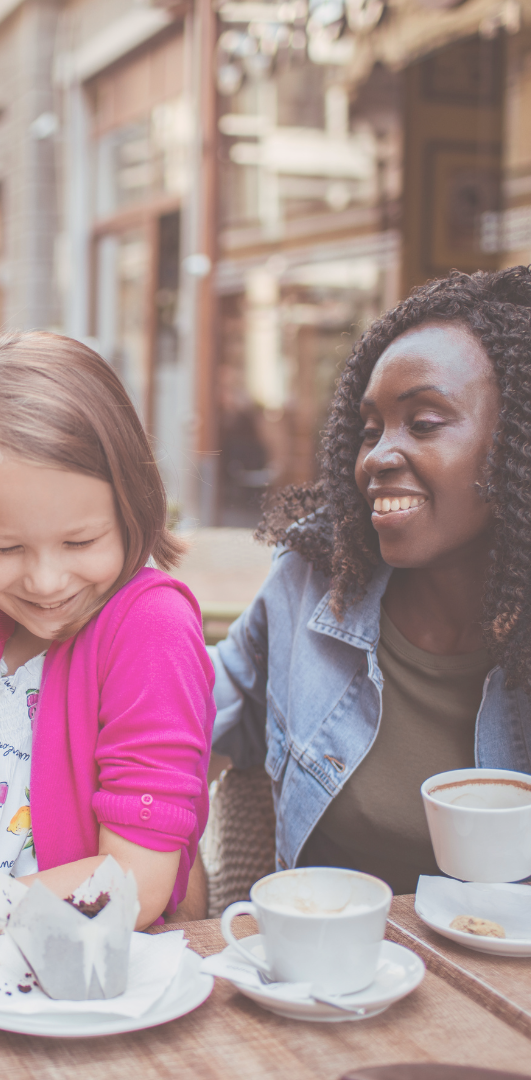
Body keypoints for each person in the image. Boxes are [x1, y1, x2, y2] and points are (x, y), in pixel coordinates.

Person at [0, 331, 215, 926]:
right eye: (4, 547)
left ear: (132, 503)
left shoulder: (150, 629)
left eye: (80, 541)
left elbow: (133, 881)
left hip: (58, 974)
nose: (47, 581)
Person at [210, 266, 531, 896]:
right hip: (333, 974)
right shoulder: (312, 577)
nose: (378, 457)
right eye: (369, 430)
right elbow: (186, 712)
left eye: (425, 422)